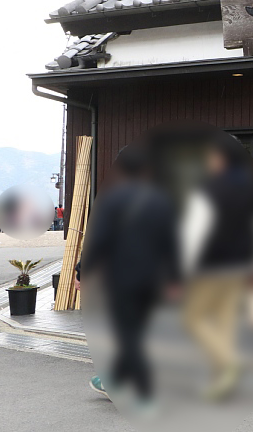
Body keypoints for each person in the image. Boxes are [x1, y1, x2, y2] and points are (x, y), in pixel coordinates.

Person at [77, 144, 180, 410]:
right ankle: (112, 379)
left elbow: (98, 241)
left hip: (122, 278)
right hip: (154, 279)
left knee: (128, 334)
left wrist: (82, 272)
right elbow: (172, 243)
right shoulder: (162, 200)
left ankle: (144, 393)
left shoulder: (112, 200)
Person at [181, 134, 253, 400]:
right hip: (241, 266)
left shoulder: (208, 188)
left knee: (193, 318)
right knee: (225, 323)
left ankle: (228, 364)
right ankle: (223, 380)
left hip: (211, 265)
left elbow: (195, 230)